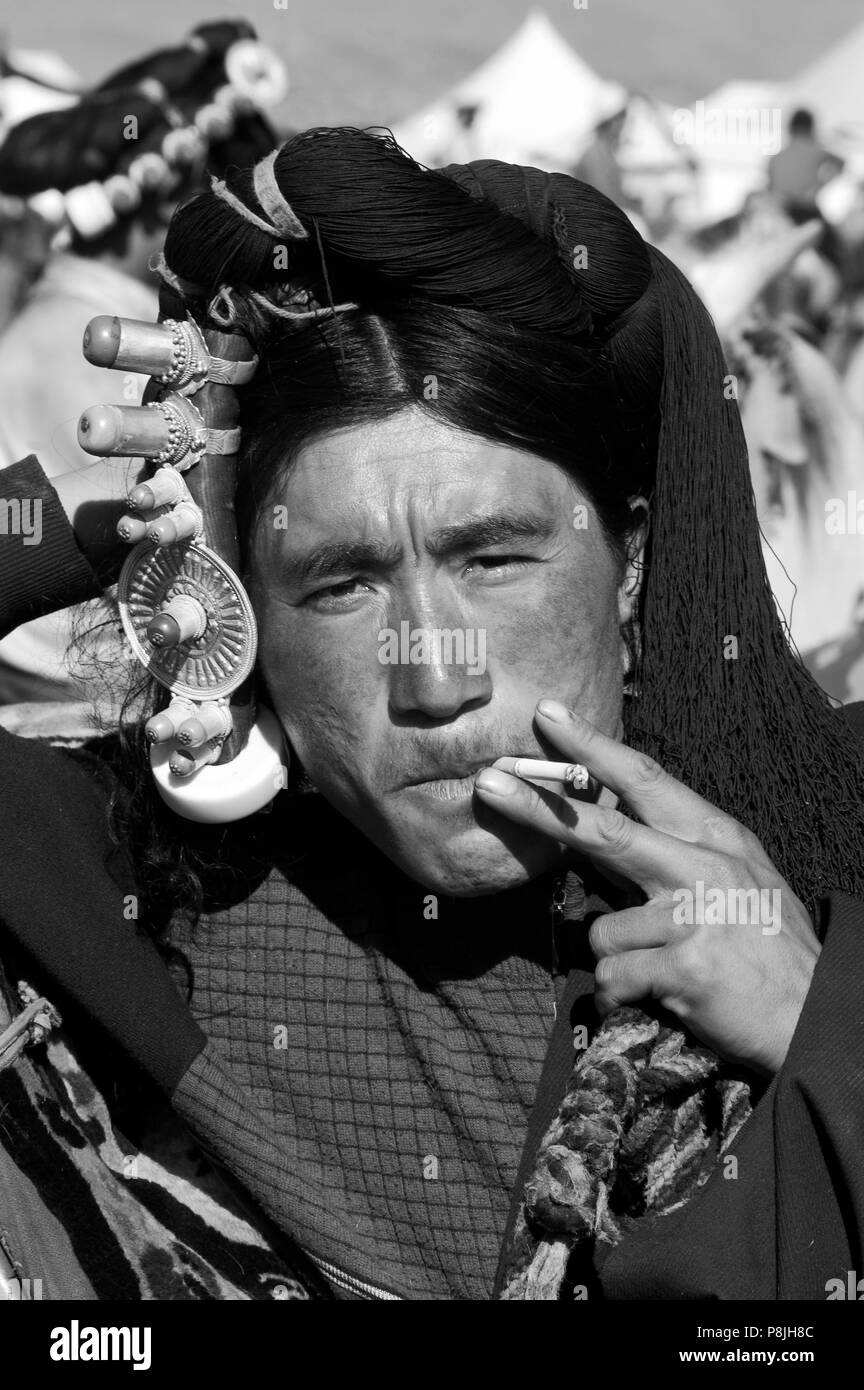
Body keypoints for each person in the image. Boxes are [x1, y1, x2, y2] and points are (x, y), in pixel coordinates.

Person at [1, 126, 863, 1301]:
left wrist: (830, 1033)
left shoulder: (841, 849)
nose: (434, 678)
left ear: (631, 560)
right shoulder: (124, 890)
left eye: (496, 558)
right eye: (342, 584)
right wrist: (95, 521)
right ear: (246, 604)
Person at [0, 21, 284, 716]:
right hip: (80, 714)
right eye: (230, 211)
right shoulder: (112, 348)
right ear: (166, 200)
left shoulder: (43, 317)